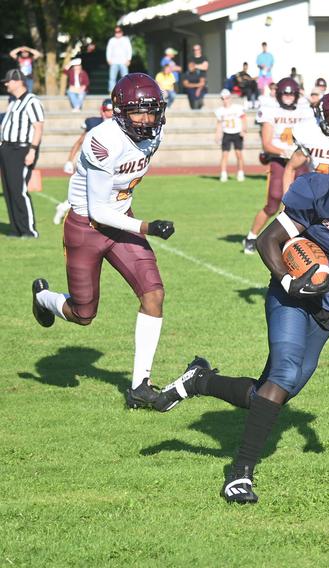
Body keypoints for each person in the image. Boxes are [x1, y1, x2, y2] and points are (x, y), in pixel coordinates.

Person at [155, 128, 329, 504]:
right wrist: (290, 282)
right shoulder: (323, 194)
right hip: (290, 298)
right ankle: (240, 475)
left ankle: (199, 381)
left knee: (269, 394)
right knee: (284, 374)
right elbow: (268, 240)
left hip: (326, 314)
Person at [31, 73, 175, 410]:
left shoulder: (155, 132)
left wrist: (158, 90)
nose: (146, 120)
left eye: (151, 111)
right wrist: (146, 226)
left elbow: (160, 98)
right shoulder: (103, 140)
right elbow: (98, 210)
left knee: (153, 294)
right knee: (83, 314)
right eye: (138, 112)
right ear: (119, 111)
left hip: (121, 221)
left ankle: (141, 385)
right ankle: (44, 298)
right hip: (87, 227)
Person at [243, 77, 314, 254]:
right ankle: (252, 237)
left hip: (299, 160)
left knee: (303, 203)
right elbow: (266, 143)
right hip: (279, 159)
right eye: (285, 93)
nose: (289, 96)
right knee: (273, 203)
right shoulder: (270, 110)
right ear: (279, 94)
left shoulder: (305, 110)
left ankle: (298, 241)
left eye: (292, 93)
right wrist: (285, 152)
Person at [1, 69, 44, 238]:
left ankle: (29, 230)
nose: (6, 84)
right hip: (7, 148)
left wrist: (32, 151)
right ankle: (16, 228)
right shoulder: (13, 102)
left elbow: (38, 128)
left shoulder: (32, 101)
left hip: (22, 148)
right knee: (9, 189)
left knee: (19, 189)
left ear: (18, 81)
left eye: (8, 81)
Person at [215, 89, 246, 182]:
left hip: (236, 132)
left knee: (239, 154)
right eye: (223, 98)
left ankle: (240, 172)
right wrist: (217, 134)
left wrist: (244, 130)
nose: (225, 100)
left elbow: (244, 118)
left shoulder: (237, 108)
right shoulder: (220, 111)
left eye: (227, 98)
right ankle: (223, 173)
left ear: (230, 98)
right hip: (226, 133)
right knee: (225, 155)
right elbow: (219, 123)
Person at [106, 27, 132, 92]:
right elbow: (108, 50)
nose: (117, 33)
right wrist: (108, 59)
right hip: (114, 62)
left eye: (119, 31)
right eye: (116, 32)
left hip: (123, 62)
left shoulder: (126, 40)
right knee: (112, 78)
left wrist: (129, 59)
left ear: (122, 32)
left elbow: (129, 49)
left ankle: (126, 91)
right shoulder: (111, 40)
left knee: (125, 78)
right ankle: (111, 92)